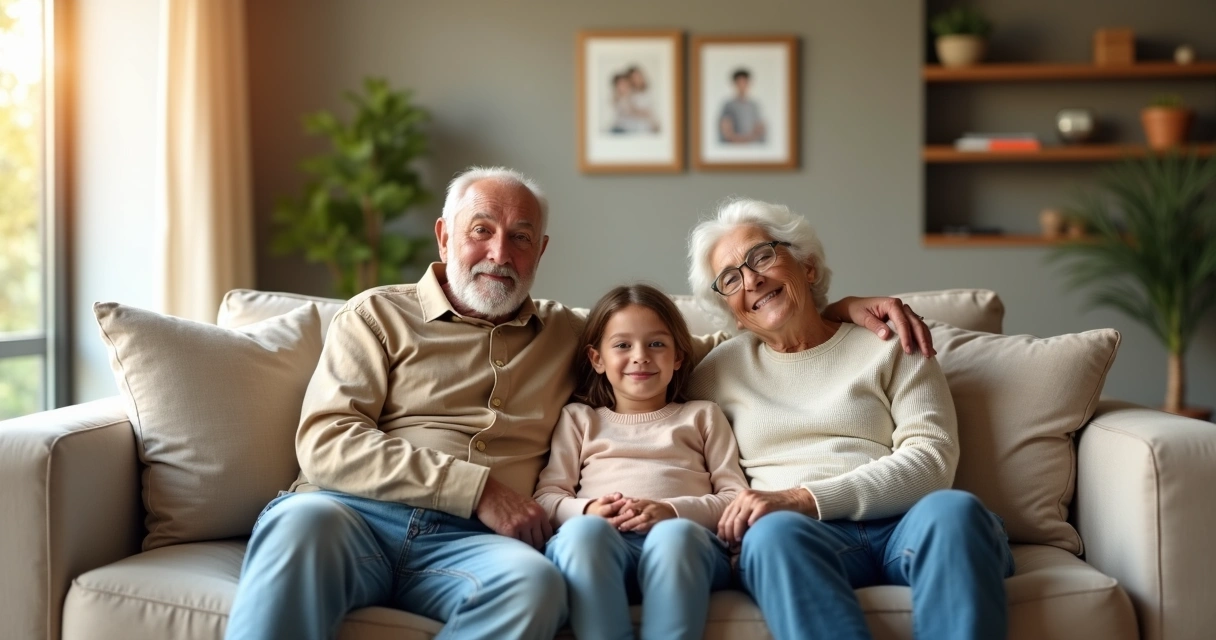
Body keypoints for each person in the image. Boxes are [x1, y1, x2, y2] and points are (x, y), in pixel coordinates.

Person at [224, 166, 936, 640]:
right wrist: (478, 491)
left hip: (473, 549)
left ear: (540, 251)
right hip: (355, 514)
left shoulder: (574, 332)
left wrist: (828, 306)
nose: (500, 251)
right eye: (482, 230)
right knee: (301, 526)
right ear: (446, 236)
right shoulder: (375, 315)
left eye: (521, 237)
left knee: (534, 590)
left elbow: (705, 340)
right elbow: (325, 442)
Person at [685, 198, 1015, 640]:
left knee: (956, 510)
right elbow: (634, 346)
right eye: (730, 278)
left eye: (762, 255)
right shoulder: (713, 372)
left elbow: (933, 461)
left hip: (906, 523)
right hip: (800, 537)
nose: (752, 279)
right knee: (771, 535)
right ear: (732, 312)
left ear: (809, 267)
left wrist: (804, 497)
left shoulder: (890, 342)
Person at [535, 284, 748, 640]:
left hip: (686, 548)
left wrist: (671, 511)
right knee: (584, 533)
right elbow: (546, 498)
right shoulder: (579, 420)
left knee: (674, 535)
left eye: (657, 344)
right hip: (600, 548)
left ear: (679, 356)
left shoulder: (702, 416)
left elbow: (734, 497)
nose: (641, 356)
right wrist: (588, 510)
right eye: (622, 345)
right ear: (596, 359)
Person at [718, 68, 766, 144]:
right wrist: (739, 141)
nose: (742, 86)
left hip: (752, 148)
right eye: (739, 82)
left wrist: (748, 140)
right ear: (734, 84)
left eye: (744, 82)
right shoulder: (728, 105)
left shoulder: (754, 106)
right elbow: (725, 129)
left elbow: (759, 128)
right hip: (732, 148)